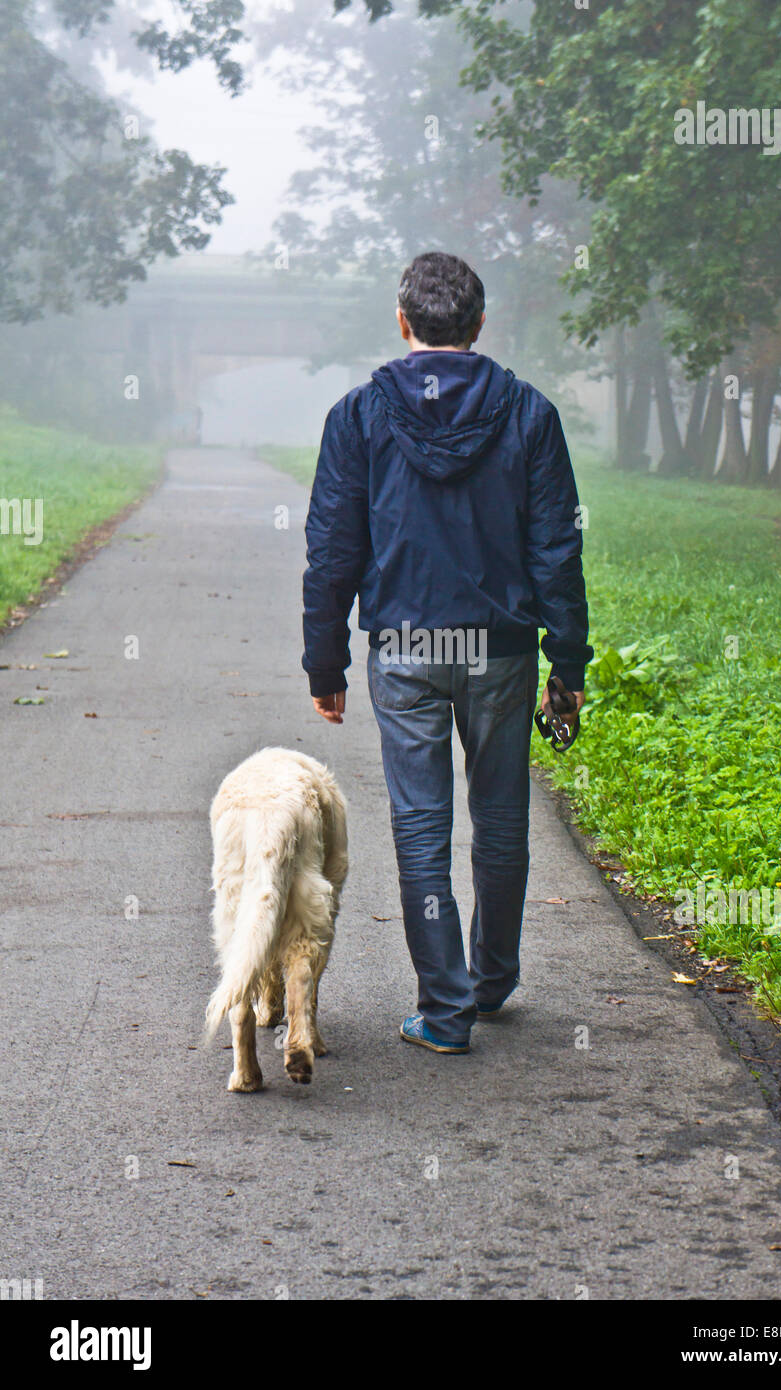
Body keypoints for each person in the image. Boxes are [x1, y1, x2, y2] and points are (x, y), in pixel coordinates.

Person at [302, 251, 592, 1054]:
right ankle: (492, 980)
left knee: (420, 830)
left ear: (403, 323)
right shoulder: (530, 414)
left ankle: (445, 1010)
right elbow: (557, 553)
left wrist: (325, 664)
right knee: (500, 820)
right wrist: (568, 663)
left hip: (406, 649)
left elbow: (332, 552)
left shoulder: (357, 417)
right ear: (479, 325)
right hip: (500, 650)